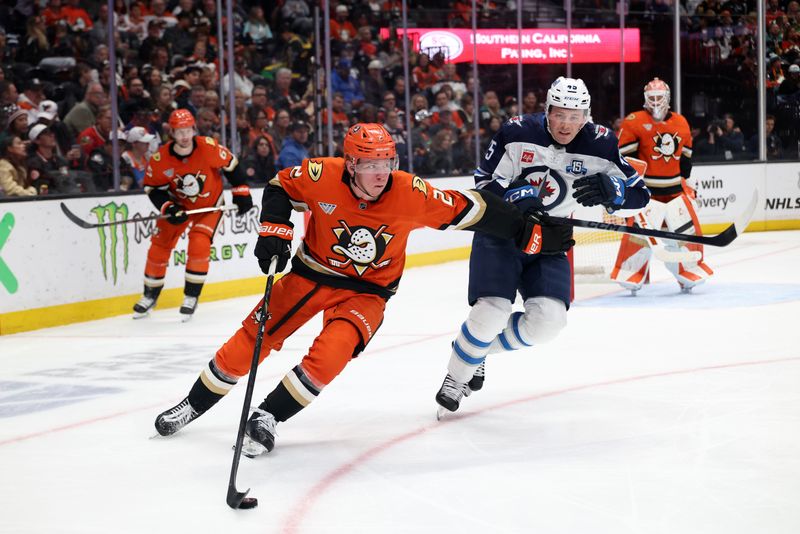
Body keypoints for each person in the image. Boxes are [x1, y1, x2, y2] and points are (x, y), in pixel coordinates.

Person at [153, 123, 561, 455]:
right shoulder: (321, 175)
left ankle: (267, 417)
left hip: (368, 292)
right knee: (253, 338)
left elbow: (473, 208)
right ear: (350, 164)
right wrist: (274, 230)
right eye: (370, 163)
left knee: (331, 356)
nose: (381, 172)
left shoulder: (410, 192)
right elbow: (280, 186)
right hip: (310, 275)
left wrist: (529, 228)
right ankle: (193, 404)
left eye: (387, 161)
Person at [434, 77, 650, 414]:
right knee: (491, 311)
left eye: (575, 116)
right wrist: (517, 196)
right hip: (502, 231)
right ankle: (457, 376)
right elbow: (483, 182)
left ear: (587, 116)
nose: (566, 124)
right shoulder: (516, 132)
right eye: (560, 114)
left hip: (550, 239)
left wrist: (617, 193)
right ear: (547, 111)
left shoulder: (602, 145)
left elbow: (641, 194)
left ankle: (476, 349)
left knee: (549, 322)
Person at [132, 109, 254, 321]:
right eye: (179, 132)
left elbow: (232, 166)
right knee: (159, 245)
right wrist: (168, 207)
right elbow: (153, 189)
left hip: (209, 206)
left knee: (199, 243)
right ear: (172, 133)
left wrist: (241, 191)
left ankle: (191, 296)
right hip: (180, 206)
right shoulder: (161, 158)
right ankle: (150, 295)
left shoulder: (207, 146)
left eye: (188, 130)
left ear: (193, 129)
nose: (184, 136)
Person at [617, 77, 712, 292]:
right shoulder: (634, 120)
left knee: (685, 231)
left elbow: (686, 160)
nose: (656, 101)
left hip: (675, 191)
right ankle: (630, 273)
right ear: (645, 98)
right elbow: (625, 159)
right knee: (639, 235)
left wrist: (687, 183)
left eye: (660, 97)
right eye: (652, 97)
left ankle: (689, 270)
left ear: (668, 98)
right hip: (646, 194)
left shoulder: (681, 121)